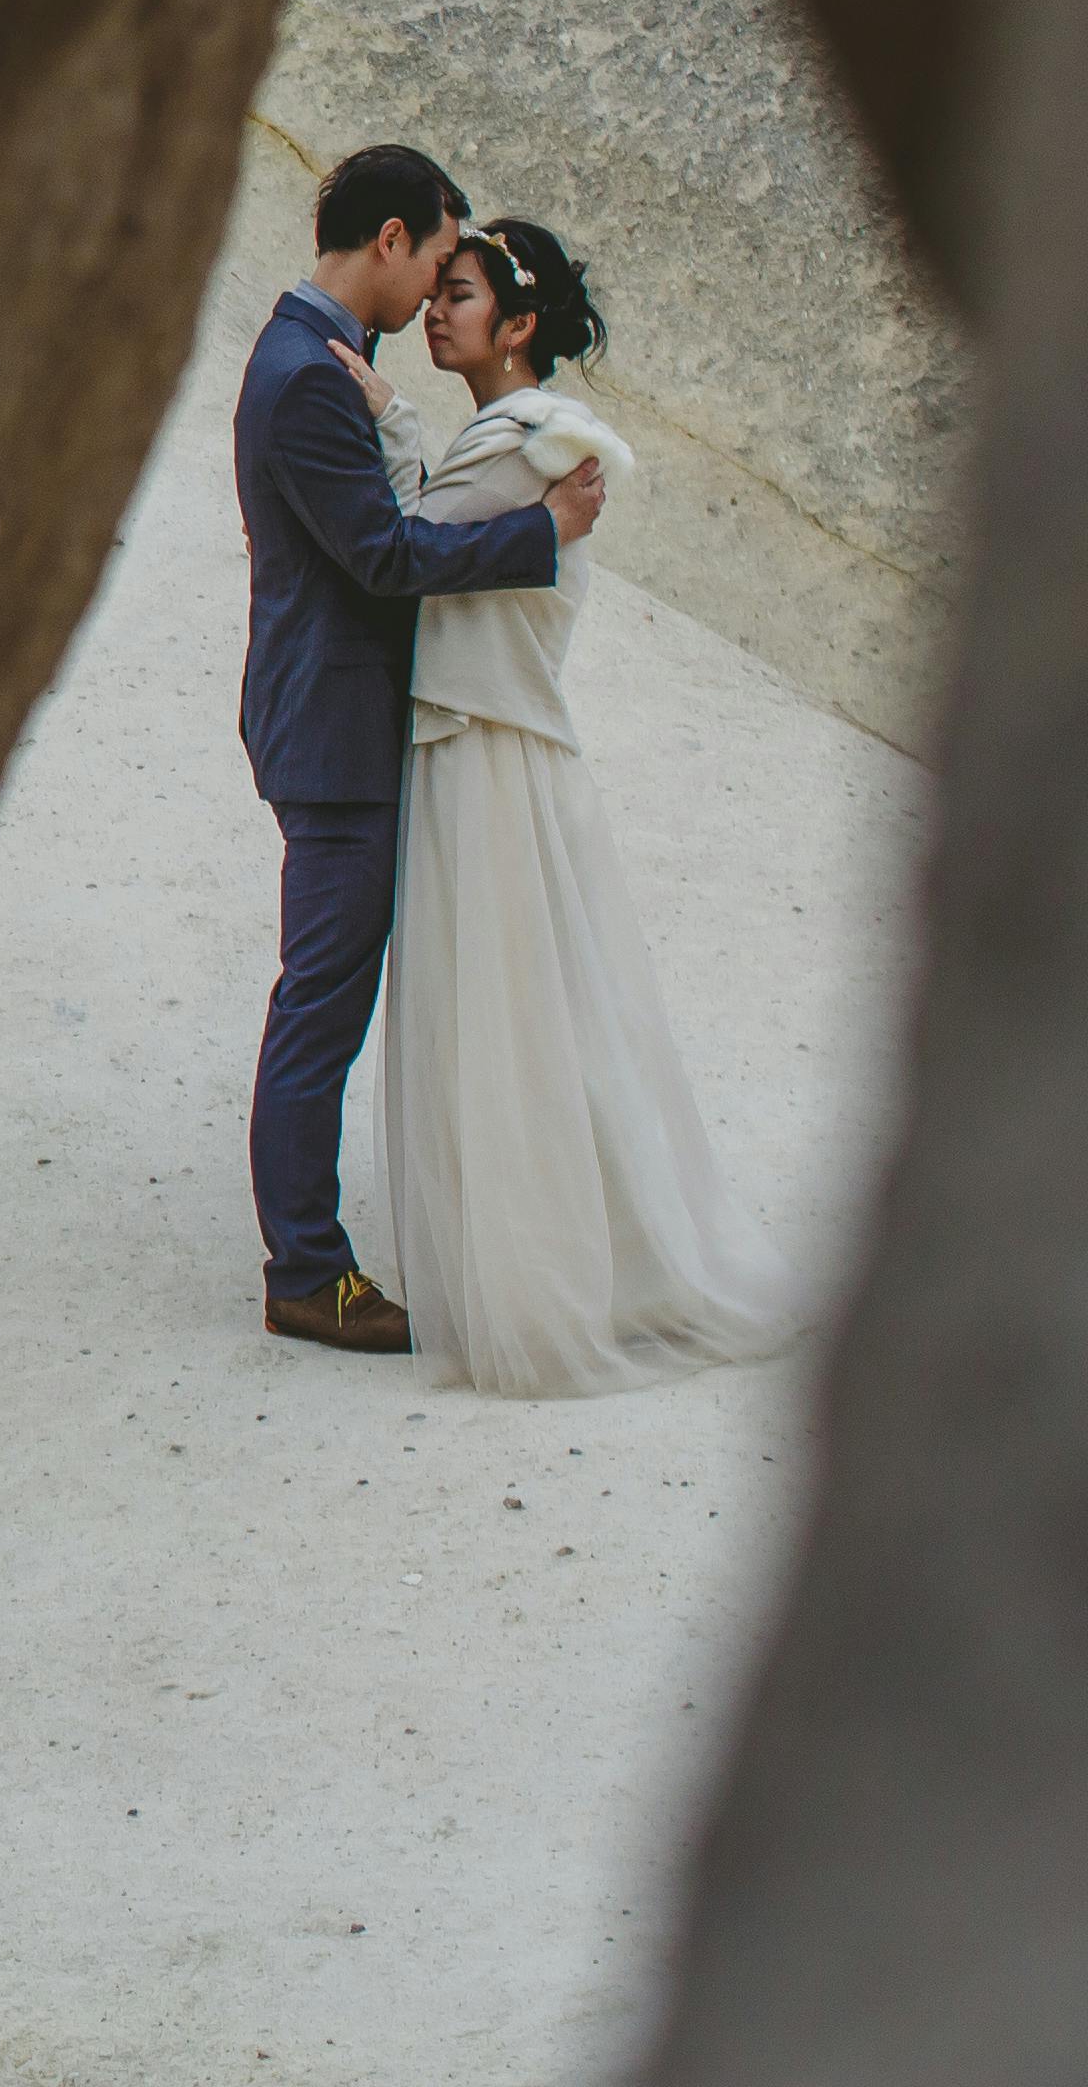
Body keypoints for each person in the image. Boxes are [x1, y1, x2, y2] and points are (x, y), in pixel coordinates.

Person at [355, 219, 809, 1393]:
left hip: (491, 752)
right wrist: (403, 421)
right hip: (478, 740)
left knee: (513, 1019)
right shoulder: (502, 441)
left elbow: (405, 546)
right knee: (523, 1014)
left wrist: (390, 420)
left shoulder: (534, 444)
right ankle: (574, 1258)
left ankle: (556, 1279)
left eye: (459, 295)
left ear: (517, 328)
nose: (436, 313)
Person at [231, 145, 598, 1353]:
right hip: (335, 734)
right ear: (389, 240)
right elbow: (385, 557)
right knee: (322, 1006)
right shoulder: (305, 379)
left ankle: (316, 1254)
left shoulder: (327, 366)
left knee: (326, 997)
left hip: (341, 718)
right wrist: (537, 532)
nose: (440, 285)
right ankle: (308, 1273)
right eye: (439, 258)